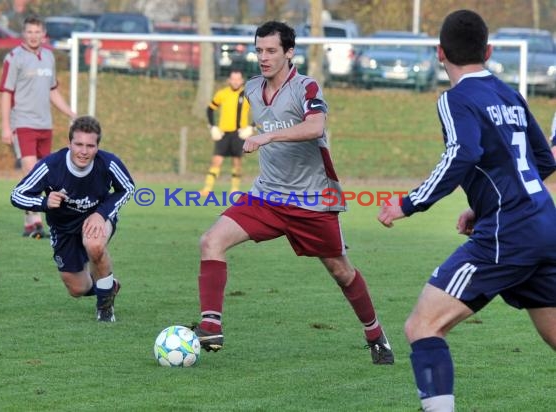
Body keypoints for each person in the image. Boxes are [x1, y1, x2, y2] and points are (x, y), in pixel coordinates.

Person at [377, 9, 556, 411]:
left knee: (423, 325)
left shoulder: (456, 99)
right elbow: (543, 162)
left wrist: (409, 203)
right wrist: (482, 208)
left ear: (440, 53)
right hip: (544, 222)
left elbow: (463, 153)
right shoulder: (510, 94)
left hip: (509, 230)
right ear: (489, 51)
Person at [194, 21, 394, 365]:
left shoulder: (306, 87)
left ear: (289, 52)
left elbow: (316, 126)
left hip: (312, 200)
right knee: (211, 241)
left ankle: (375, 335)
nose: (263, 57)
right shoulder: (253, 89)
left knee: (341, 271)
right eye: (259, 50)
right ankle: (211, 325)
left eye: (271, 50)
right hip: (267, 196)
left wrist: (267, 136)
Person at [10, 116, 135, 322]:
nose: (84, 151)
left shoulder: (108, 163)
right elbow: (17, 195)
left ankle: (105, 310)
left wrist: (101, 214)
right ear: (69, 143)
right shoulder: (51, 165)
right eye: (78, 144)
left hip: (95, 219)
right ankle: (108, 285)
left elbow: (127, 188)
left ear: (97, 146)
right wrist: (44, 203)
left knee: (94, 245)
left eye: (90, 146)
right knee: (77, 289)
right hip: (63, 228)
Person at [0, 15, 77, 239]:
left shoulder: (49, 57)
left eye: (37, 32)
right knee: (32, 172)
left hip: (45, 125)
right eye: (29, 31)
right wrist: (6, 127)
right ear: (24, 33)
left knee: (45, 176)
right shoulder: (14, 58)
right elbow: (6, 93)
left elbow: (52, 90)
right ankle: (37, 222)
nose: (33, 36)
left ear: (44, 35)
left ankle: (28, 221)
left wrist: (71, 113)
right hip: (22, 123)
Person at [199, 68, 253, 196]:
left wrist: (251, 127)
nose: (235, 82)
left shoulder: (247, 95)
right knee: (216, 161)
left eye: (238, 79)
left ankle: (234, 189)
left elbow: (261, 111)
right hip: (223, 133)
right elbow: (210, 109)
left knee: (237, 162)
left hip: (239, 134)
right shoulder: (222, 94)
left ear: (242, 81)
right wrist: (212, 127)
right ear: (229, 80)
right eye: (233, 79)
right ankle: (207, 189)